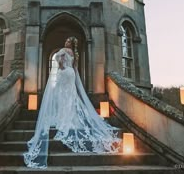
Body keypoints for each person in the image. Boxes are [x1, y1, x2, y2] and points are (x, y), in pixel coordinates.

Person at [23, 36, 121, 169]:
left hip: (64, 73)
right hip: (71, 74)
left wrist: (61, 65)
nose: (66, 42)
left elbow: (57, 58)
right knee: (70, 96)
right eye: (67, 40)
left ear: (69, 43)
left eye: (67, 41)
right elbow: (75, 68)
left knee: (62, 96)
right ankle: (70, 116)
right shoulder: (75, 53)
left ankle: (62, 117)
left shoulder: (63, 50)